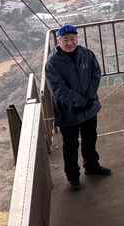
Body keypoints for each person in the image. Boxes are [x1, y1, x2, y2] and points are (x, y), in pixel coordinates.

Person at [45, 24, 112, 190]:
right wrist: (80, 101)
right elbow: (58, 90)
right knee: (71, 144)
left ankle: (92, 166)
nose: (70, 43)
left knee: (90, 138)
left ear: (77, 38)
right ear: (59, 41)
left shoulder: (86, 54)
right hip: (68, 111)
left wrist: (89, 96)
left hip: (89, 107)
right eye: (65, 40)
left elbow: (96, 74)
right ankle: (73, 176)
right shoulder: (52, 63)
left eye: (72, 39)